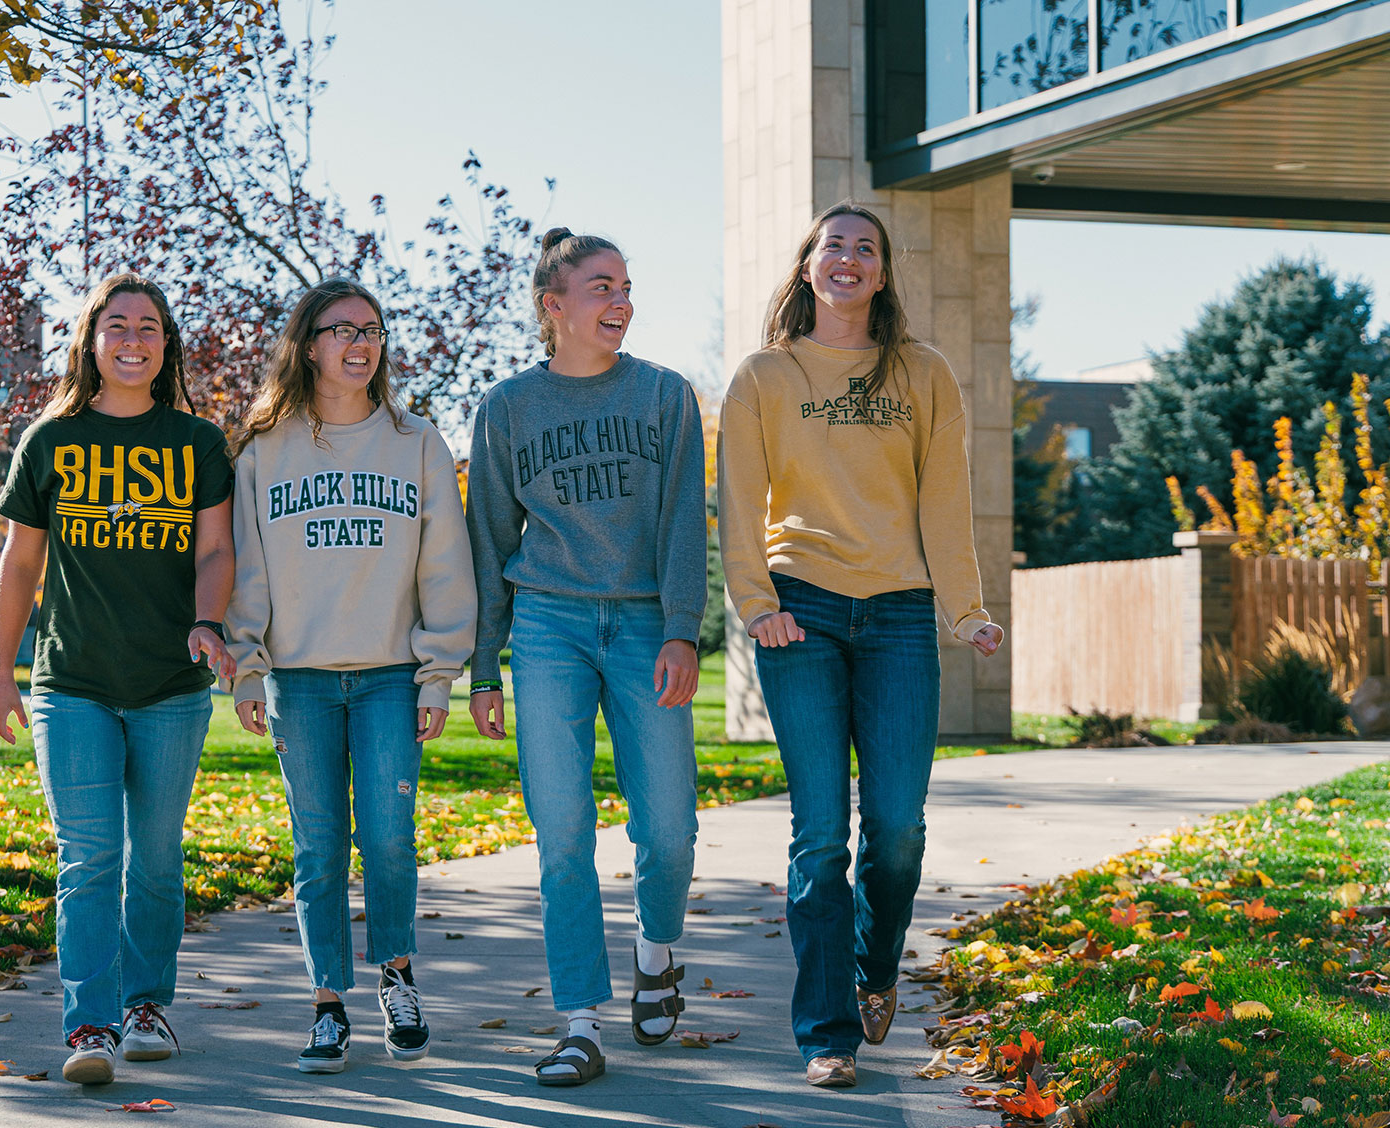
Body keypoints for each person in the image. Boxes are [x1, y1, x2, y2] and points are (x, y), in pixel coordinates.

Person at [718, 202, 1005, 1089]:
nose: (848, 259)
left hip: (900, 615)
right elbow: (739, 502)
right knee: (818, 837)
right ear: (808, 266)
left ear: (882, 273)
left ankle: (876, 968)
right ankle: (826, 1035)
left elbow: (944, 499)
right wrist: (756, 604)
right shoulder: (763, 375)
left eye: (866, 249)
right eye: (833, 246)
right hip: (799, 611)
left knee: (898, 829)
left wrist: (965, 609)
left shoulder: (923, 372)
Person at [464, 228, 708, 1087]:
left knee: (669, 830)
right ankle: (579, 1022)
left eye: (627, 286)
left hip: (645, 625)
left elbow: (684, 519)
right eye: (602, 286)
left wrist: (682, 627)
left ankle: (656, 950)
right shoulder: (506, 408)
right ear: (554, 305)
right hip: (547, 626)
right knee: (562, 831)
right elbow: (489, 538)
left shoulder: (665, 395)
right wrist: (484, 664)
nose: (621, 301)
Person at [0, 274, 235, 1086]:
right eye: (117, 325)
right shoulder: (50, 442)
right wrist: (0, 674)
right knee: (89, 859)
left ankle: (145, 1007)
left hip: (172, 686)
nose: (134, 340)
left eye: (149, 326)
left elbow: (216, 550)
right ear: (91, 341)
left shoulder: (197, 444)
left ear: (167, 345)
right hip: (73, 684)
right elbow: (20, 564)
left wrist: (207, 621)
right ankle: (89, 1025)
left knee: (155, 859)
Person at [225, 278, 477, 1074]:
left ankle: (397, 979)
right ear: (308, 346)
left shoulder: (416, 441)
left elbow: (445, 567)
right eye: (343, 330)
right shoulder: (264, 450)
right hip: (298, 680)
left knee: (390, 838)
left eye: (371, 330)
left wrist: (439, 674)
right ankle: (328, 1003)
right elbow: (247, 571)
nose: (361, 343)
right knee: (319, 847)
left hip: (390, 676)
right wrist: (246, 667)